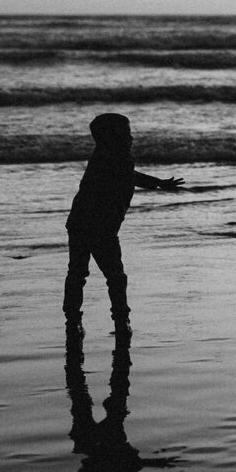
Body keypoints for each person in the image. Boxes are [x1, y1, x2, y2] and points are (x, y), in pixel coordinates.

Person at [63, 113, 183, 326]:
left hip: (86, 224)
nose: (131, 138)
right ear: (112, 137)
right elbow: (129, 176)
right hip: (97, 226)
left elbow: (132, 176)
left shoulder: (110, 157)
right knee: (111, 275)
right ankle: (118, 317)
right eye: (126, 133)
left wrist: (158, 183)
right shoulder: (110, 159)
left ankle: (75, 317)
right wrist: (158, 183)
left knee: (80, 273)